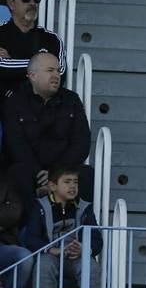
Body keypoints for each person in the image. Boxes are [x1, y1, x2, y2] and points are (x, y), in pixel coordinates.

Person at [3, 53, 90, 209]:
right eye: (50, 70)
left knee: (86, 175)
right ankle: (33, 228)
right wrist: (40, 174)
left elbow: (82, 143)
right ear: (32, 75)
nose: (57, 75)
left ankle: (78, 228)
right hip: (30, 171)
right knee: (18, 173)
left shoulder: (72, 100)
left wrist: (54, 173)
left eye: (58, 70)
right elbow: (15, 145)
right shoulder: (14, 102)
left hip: (62, 169)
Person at [22, 164, 102, 288]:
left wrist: (84, 249)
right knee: (43, 266)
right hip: (51, 255)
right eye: (67, 182)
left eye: (75, 182)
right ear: (52, 186)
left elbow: (96, 238)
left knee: (92, 267)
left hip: (76, 256)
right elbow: (31, 238)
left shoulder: (85, 207)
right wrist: (53, 249)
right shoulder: (40, 206)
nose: (72, 186)